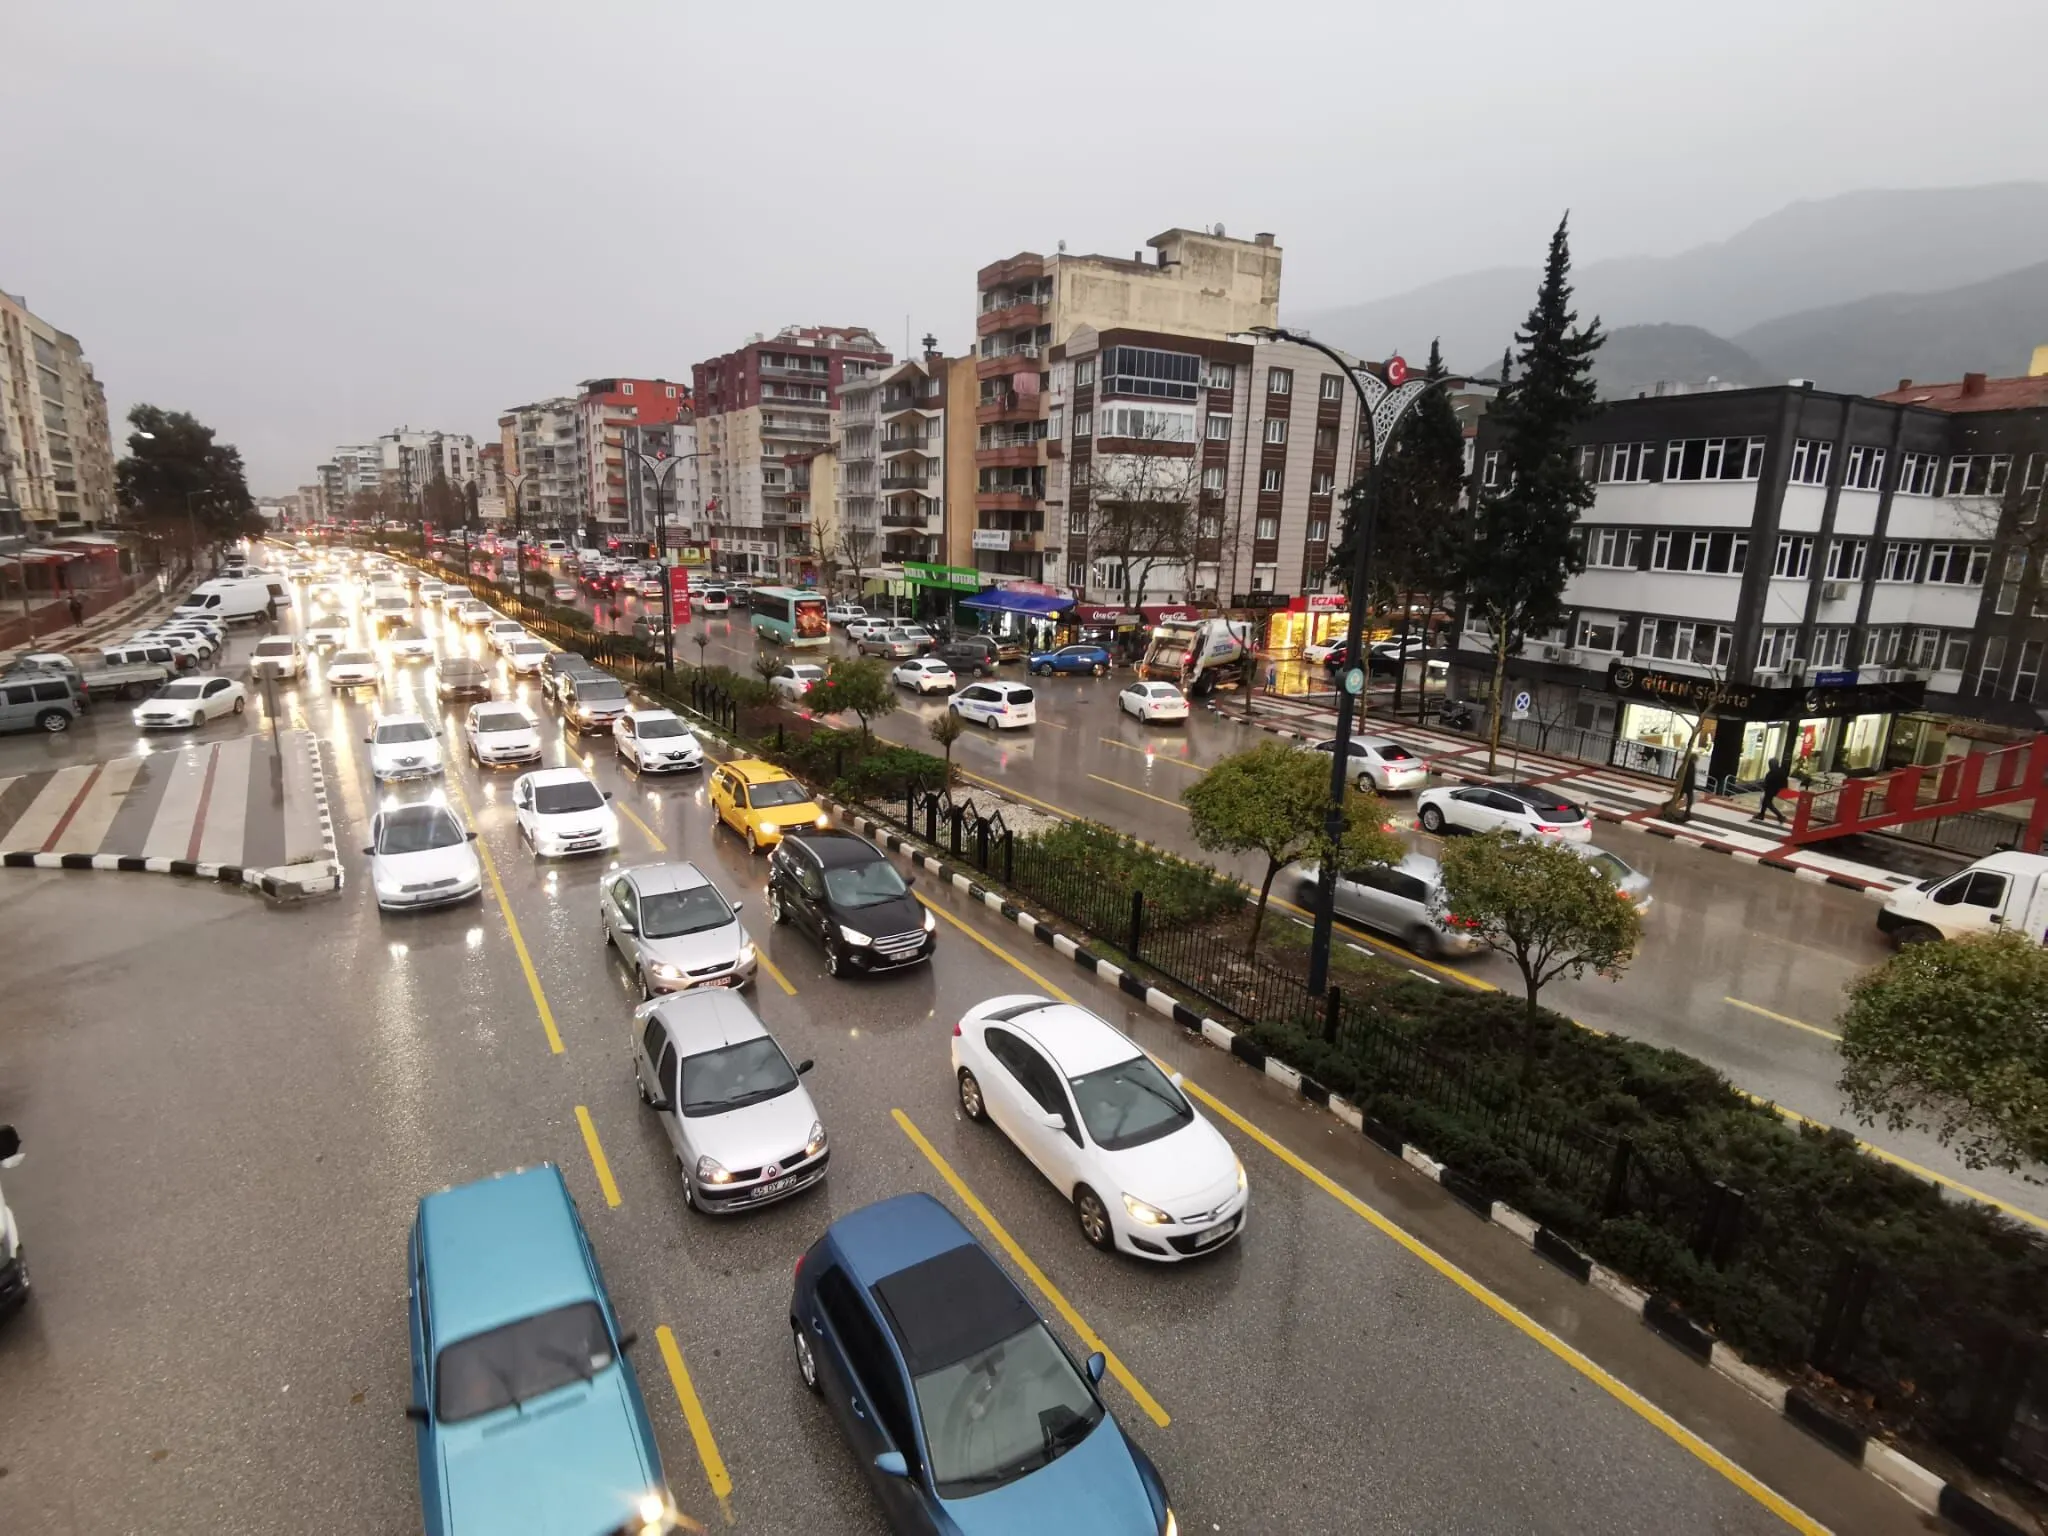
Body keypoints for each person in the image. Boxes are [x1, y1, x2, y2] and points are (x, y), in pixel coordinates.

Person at [1753, 756, 1791, 825]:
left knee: (1768, 803)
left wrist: (1764, 785)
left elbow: (1767, 781)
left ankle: (1780, 816)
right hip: (1775, 789)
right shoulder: (1781, 771)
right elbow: (1785, 781)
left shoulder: (1772, 773)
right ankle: (1761, 815)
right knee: (1765, 801)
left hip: (1771, 789)